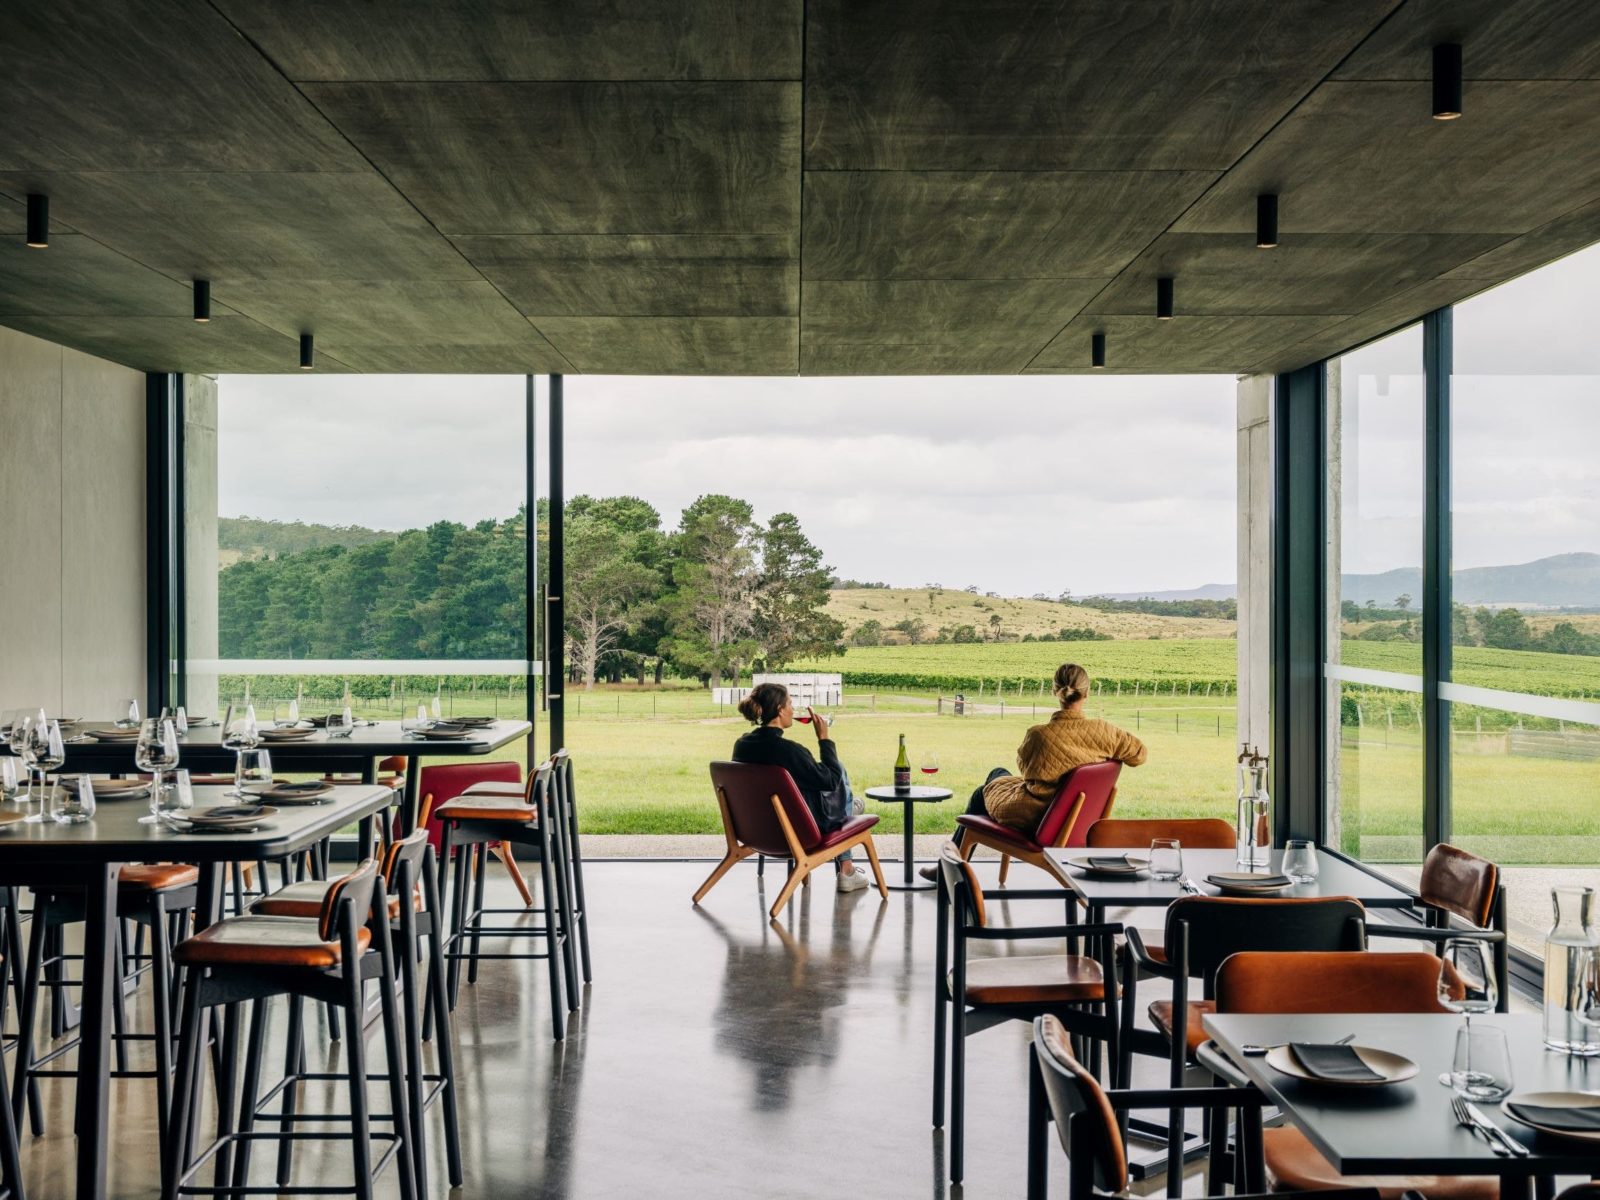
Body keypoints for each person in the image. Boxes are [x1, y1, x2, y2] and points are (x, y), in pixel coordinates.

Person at [920, 663, 1146, 881]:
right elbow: (1140, 755)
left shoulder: (1039, 735)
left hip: (1039, 818)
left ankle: (948, 870)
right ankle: (949, 867)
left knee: (982, 792)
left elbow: (1027, 771)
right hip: (1078, 821)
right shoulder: (1106, 732)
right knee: (997, 773)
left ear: (1055, 691)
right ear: (1087, 693)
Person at [732, 682, 872, 892]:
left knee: (831, 780)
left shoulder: (741, 745)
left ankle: (850, 807)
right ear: (779, 710)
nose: (792, 709)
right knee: (838, 769)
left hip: (756, 831)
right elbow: (830, 780)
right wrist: (824, 738)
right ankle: (847, 865)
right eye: (789, 703)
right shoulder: (789, 752)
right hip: (797, 831)